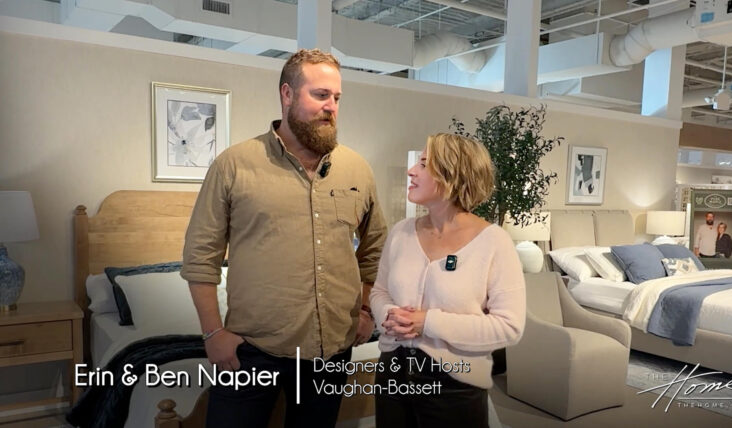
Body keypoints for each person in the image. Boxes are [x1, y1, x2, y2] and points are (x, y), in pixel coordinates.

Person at [181, 49, 388, 428]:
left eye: (337, 98)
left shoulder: (357, 168)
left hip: (332, 350)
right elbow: (200, 256)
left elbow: (376, 249)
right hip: (250, 349)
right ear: (287, 94)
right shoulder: (235, 164)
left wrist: (365, 310)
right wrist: (213, 332)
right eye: (320, 95)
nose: (331, 107)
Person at [369, 133, 526, 428]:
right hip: (393, 376)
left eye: (424, 164)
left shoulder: (494, 243)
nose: (411, 171)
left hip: (455, 386)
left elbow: (509, 327)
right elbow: (379, 292)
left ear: (453, 175)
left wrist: (427, 322)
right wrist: (387, 314)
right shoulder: (401, 232)